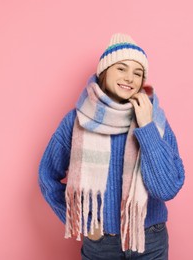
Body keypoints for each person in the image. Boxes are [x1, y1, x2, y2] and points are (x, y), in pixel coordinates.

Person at [38, 33, 185, 260]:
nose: (130, 78)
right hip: (100, 243)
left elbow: (166, 188)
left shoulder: (154, 120)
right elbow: (47, 175)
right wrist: (83, 223)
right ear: (104, 72)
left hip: (150, 239)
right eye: (121, 68)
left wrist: (146, 127)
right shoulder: (77, 120)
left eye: (138, 73)